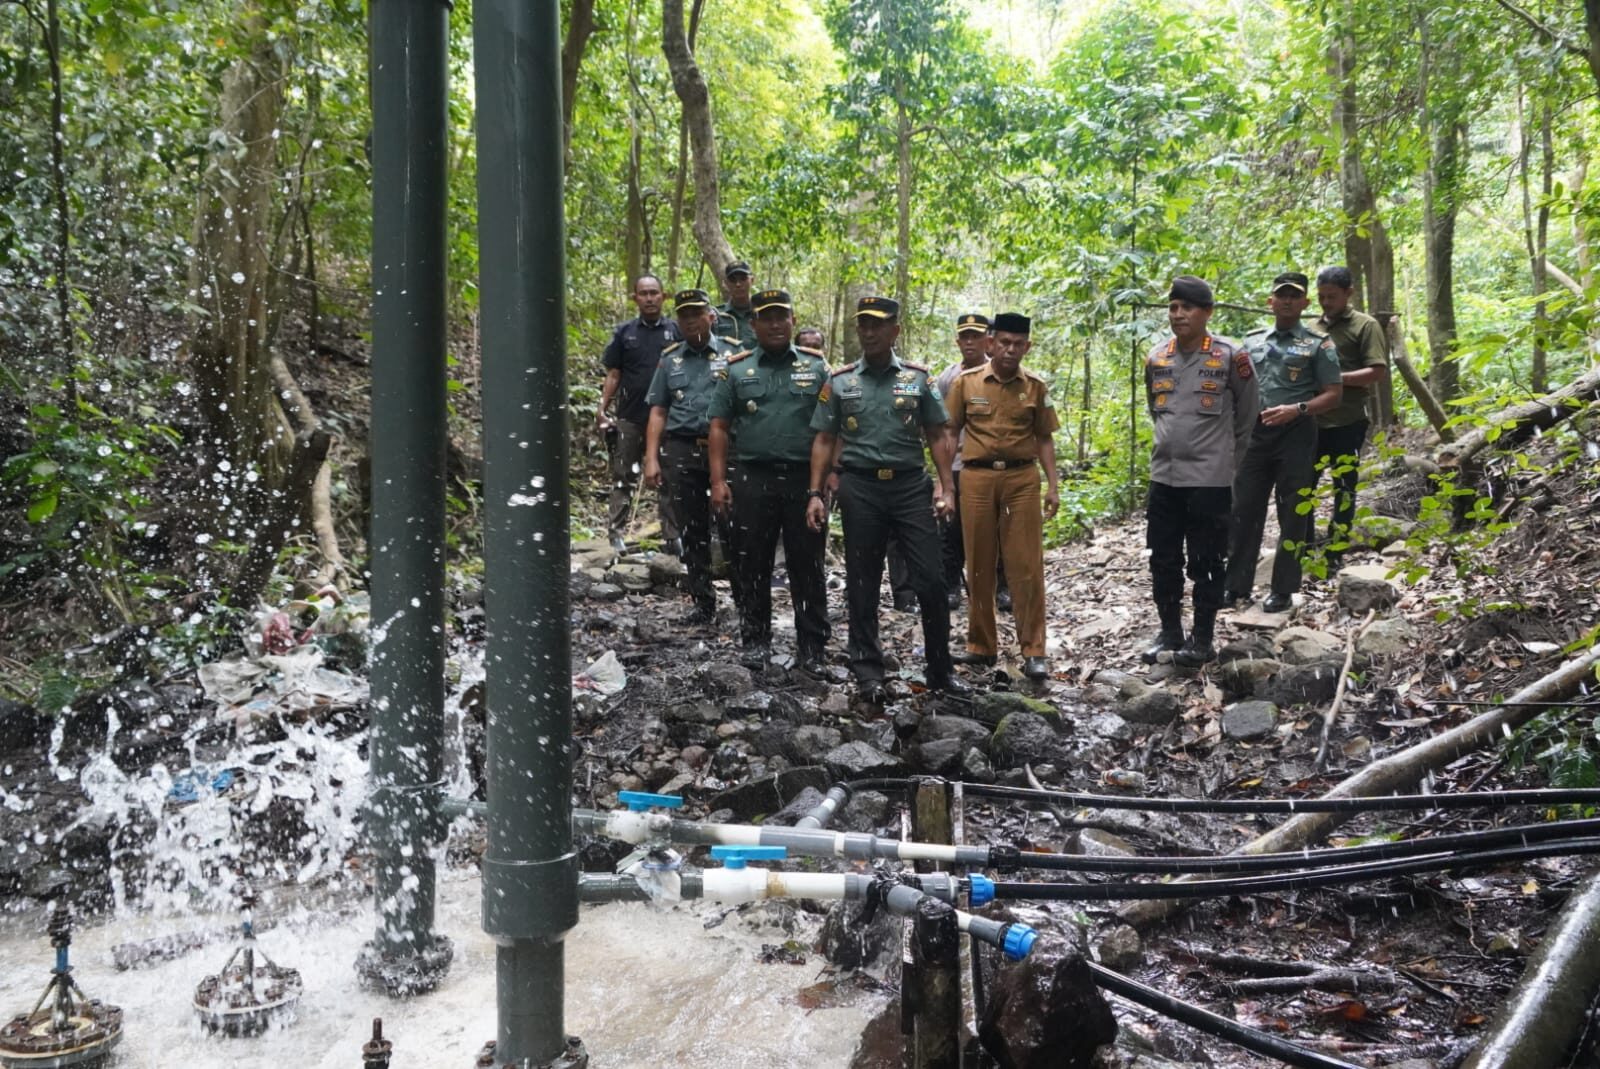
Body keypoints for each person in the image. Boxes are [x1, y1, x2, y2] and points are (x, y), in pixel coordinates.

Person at [806, 296, 969, 702]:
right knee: (862, 580)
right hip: (860, 489)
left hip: (910, 486)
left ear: (895, 330)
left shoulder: (918, 379)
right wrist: (815, 492)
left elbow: (938, 434)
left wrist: (946, 488)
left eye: (878, 325)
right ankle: (867, 672)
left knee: (930, 579)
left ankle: (940, 670)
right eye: (863, 325)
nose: (869, 332)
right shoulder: (841, 381)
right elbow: (825, 438)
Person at [708, 289, 831, 672]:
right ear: (754, 324)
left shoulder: (817, 367)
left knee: (806, 564)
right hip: (752, 478)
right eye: (767, 317)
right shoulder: (737, 369)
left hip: (802, 480)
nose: (776, 324)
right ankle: (755, 641)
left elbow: (830, 430)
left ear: (793, 321)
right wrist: (718, 480)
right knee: (751, 562)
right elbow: (718, 427)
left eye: (783, 317)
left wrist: (825, 484)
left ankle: (812, 647)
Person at [1140, 276, 1260, 668]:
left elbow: (1247, 416)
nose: (1178, 315)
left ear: (1207, 312)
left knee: (1207, 560)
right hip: (1164, 478)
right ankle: (1170, 631)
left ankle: (1203, 637)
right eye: (1173, 307)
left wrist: (1226, 460)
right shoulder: (1157, 357)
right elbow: (1156, 411)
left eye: (1187, 307)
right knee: (1163, 558)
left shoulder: (1230, 356)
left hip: (1209, 480)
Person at [943, 312, 1060, 681]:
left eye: (1018, 344)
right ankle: (981, 644)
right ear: (991, 343)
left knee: (1026, 565)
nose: (1010, 350)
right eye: (1004, 343)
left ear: (1027, 346)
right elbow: (949, 433)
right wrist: (943, 483)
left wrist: (1053, 484)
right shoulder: (966, 383)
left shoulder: (1036, 387)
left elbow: (1044, 438)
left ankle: (1034, 650)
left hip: (1022, 480)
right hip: (976, 478)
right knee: (978, 563)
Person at [1222, 273, 1343, 614]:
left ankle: (1283, 589)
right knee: (1243, 509)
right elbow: (1236, 388)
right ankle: (1235, 586)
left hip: (1297, 434)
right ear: (1270, 302)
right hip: (1255, 436)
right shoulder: (1251, 342)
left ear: (1306, 303)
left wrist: (1298, 409)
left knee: (1293, 512)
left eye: (1295, 296)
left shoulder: (1319, 344)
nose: (1287, 301)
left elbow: (1334, 394)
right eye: (1281, 295)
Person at [643, 289, 738, 623]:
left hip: (729, 450)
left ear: (711, 316)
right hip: (682, 448)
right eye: (684, 315)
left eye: (696, 313)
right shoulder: (670, 359)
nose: (690, 320)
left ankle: (745, 600)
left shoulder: (735, 355)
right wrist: (651, 457)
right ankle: (702, 602)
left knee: (733, 526)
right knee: (692, 527)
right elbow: (658, 411)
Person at [1311, 266, 1391, 566]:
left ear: (1349, 293)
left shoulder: (1365, 326)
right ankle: (1304, 548)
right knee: (1302, 485)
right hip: (1313, 421)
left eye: (1332, 296)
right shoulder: (1312, 328)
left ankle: (1335, 551)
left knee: (1344, 488)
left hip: (1348, 421)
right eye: (1321, 296)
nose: (1326, 302)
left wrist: (1336, 380)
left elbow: (1377, 371)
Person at [598, 274, 680, 556]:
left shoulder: (675, 331)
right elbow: (614, 373)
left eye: (654, 293)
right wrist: (602, 408)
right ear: (635, 298)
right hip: (630, 417)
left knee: (668, 477)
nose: (649, 298)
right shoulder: (625, 333)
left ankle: (672, 535)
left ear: (663, 296)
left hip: (668, 418)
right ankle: (616, 534)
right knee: (623, 476)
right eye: (643, 293)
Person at [934, 313, 1008, 611]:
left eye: (975, 336)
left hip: (993, 466)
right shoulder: (947, 378)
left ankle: (1003, 587)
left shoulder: (1002, 374)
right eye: (964, 336)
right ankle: (951, 586)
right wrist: (941, 479)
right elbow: (939, 430)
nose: (969, 342)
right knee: (952, 531)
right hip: (957, 465)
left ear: (987, 339)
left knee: (1001, 530)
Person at [714, 260, 758, 350]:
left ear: (752, 280)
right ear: (726, 283)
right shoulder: (717, 315)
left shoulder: (762, 313)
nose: (738, 284)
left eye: (743, 279)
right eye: (733, 280)